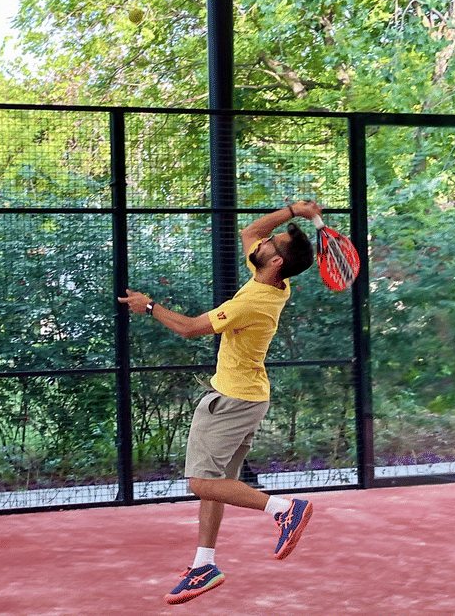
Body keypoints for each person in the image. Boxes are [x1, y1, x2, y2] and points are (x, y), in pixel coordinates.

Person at [118, 200, 321, 605]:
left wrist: (150, 306)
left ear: (275, 262)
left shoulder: (253, 301)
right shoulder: (274, 278)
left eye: (273, 242)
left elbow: (192, 329)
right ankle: (203, 564)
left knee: (200, 482)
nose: (263, 240)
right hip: (249, 398)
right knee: (216, 486)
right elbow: (250, 233)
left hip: (231, 401)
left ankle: (285, 509)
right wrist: (292, 212)